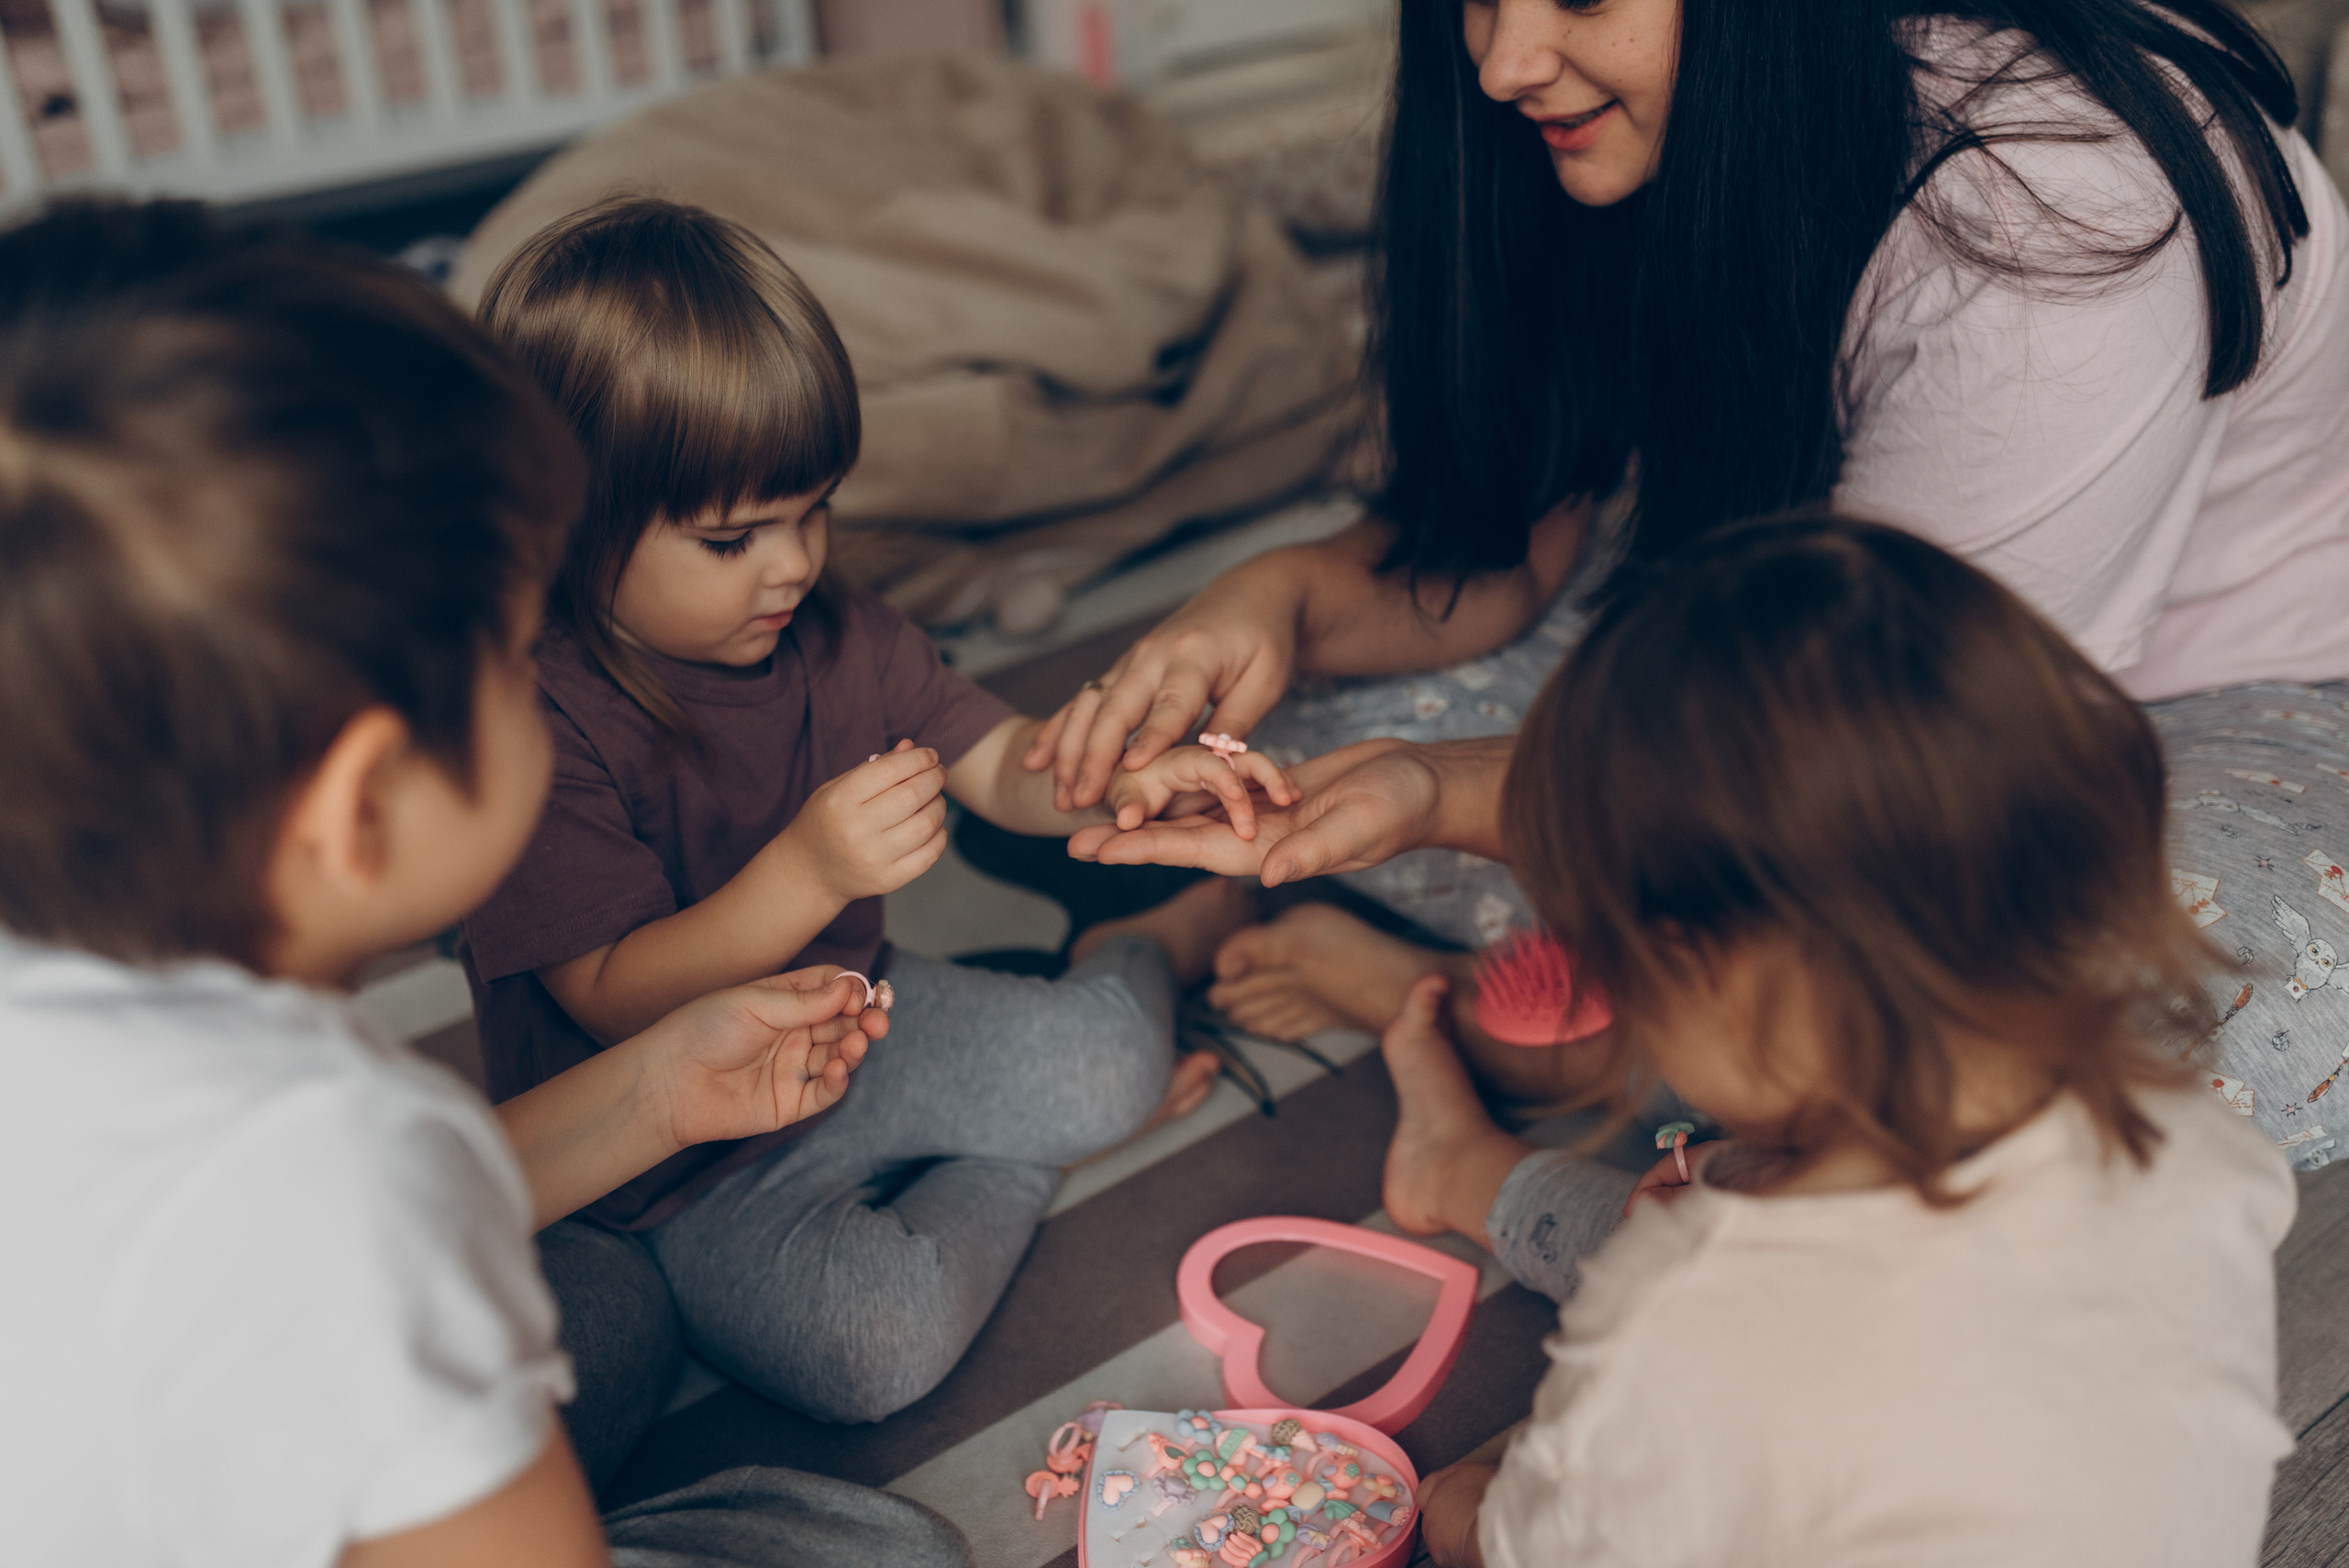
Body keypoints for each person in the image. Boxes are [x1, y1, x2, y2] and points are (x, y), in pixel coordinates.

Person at [1040, 0, 2349, 1133]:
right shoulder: (1634, 117)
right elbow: (1505, 547)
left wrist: (1438, 792)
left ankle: (1476, 1006)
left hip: (2139, 712)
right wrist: (1275, 598)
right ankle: (1595, 994)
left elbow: (1882, 761)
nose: (1501, 65)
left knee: (2110, 1036)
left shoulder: (2062, 208)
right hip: (1794, 633)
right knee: (1278, 723)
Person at [0, 200, 970, 1567]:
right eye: (519, 662)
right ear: (362, 804)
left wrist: (656, 1090)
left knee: (620, 1343)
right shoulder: (345, 1168)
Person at [460, 198, 1277, 1438]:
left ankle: (1147, 943)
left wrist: (1114, 775)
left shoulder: (832, 625)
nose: (793, 564)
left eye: (814, 511)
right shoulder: (532, 720)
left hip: (859, 1022)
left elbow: (994, 759)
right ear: (567, 530)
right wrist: (810, 870)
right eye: (732, 538)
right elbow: (618, 1002)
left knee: (1114, 1066)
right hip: (659, 1169)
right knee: (861, 1351)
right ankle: (1019, 1153)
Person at [1383, 516, 2297, 1567]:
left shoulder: (1682, 1313)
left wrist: (1464, 1509)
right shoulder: (2202, 1145)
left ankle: (1458, 1172)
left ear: (1701, 970)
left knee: (1616, 1319)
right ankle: (1459, 1167)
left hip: (1681, 1408)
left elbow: (1537, 1548)